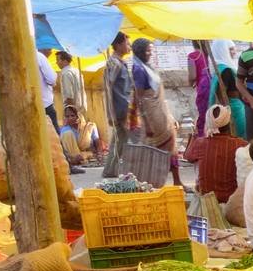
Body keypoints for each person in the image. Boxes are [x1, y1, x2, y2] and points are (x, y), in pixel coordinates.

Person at [129, 38, 182, 186]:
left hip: (160, 111)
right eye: (147, 51)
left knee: (170, 145)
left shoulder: (147, 67)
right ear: (139, 52)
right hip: (152, 115)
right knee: (162, 147)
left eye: (151, 51)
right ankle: (156, 182)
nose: (150, 53)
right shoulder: (138, 69)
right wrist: (146, 122)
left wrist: (169, 115)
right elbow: (139, 98)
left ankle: (175, 181)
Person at [183, 102, 246, 201]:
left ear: (208, 123)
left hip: (207, 201)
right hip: (231, 200)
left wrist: (194, 135)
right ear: (228, 122)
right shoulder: (241, 144)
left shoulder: (200, 143)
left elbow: (187, 156)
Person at [100, 33, 132, 178]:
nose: (129, 46)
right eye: (127, 43)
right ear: (118, 45)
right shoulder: (114, 63)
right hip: (120, 110)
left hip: (123, 109)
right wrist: (114, 114)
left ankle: (111, 170)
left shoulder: (120, 62)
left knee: (120, 140)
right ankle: (110, 170)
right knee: (121, 140)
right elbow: (109, 88)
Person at [56, 104, 100, 169]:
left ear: (79, 116)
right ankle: (73, 160)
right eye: (67, 116)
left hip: (87, 154)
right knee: (67, 134)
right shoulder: (64, 130)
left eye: (72, 115)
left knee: (83, 156)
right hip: (70, 156)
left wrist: (98, 153)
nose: (70, 118)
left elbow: (97, 143)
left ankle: (76, 160)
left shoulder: (89, 127)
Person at [55, 51, 86, 133]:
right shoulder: (76, 71)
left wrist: (69, 115)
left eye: (58, 60)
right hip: (81, 107)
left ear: (65, 61)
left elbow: (69, 96)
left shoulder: (66, 74)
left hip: (73, 110)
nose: (56, 63)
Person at [186, 45, 212, 136]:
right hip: (212, 85)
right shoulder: (208, 54)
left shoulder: (192, 56)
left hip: (203, 87)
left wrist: (190, 82)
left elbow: (192, 76)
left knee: (203, 115)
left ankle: (202, 139)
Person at [34, 48, 58, 132]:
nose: (51, 51)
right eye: (49, 49)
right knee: (54, 136)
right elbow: (51, 79)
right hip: (45, 104)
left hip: (26, 105)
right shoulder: (39, 57)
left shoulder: (18, 56)